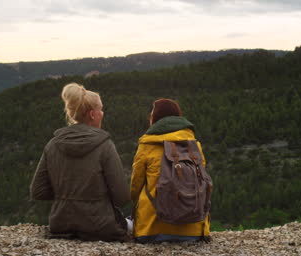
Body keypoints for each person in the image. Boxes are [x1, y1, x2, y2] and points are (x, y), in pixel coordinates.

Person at [30, 82, 130, 241]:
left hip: (60, 225)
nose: (102, 113)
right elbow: (123, 197)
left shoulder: (53, 144)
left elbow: (38, 191)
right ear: (92, 114)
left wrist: (66, 196)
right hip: (100, 226)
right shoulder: (105, 145)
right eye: (101, 109)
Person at [130, 98, 211, 243]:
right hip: (193, 231)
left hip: (151, 230)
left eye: (151, 114)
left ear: (155, 119)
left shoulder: (146, 145)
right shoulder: (195, 146)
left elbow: (135, 187)